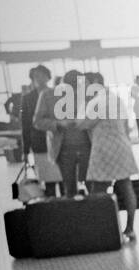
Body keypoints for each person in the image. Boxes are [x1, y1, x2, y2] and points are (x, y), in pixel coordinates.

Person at [82, 73, 139, 241]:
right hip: (122, 146)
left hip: (104, 149)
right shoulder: (115, 98)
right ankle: (129, 228)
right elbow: (126, 125)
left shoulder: (97, 101)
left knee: (98, 190)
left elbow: (84, 124)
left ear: (96, 83)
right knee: (126, 187)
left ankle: (103, 229)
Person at [35, 69, 92, 196]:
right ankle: (73, 214)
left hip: (88, 147)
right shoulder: (47, 95)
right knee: (69, 188)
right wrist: (58, 124)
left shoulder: (87, 94)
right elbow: (37, 121)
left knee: (92, 185)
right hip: (63, 149)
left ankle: (93, 214)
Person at [22, 65, 63, 197]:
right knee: (48, 180)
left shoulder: (57, 94)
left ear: (48, 77)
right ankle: (52, 210)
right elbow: (26, 124)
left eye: (42, 75)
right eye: (36, 76)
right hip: (39, 144)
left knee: (63, 179)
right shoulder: (27, 98)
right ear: (32, 79)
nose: (39, 78)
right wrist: (25, 150)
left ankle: (67, 209)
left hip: (58, 141)